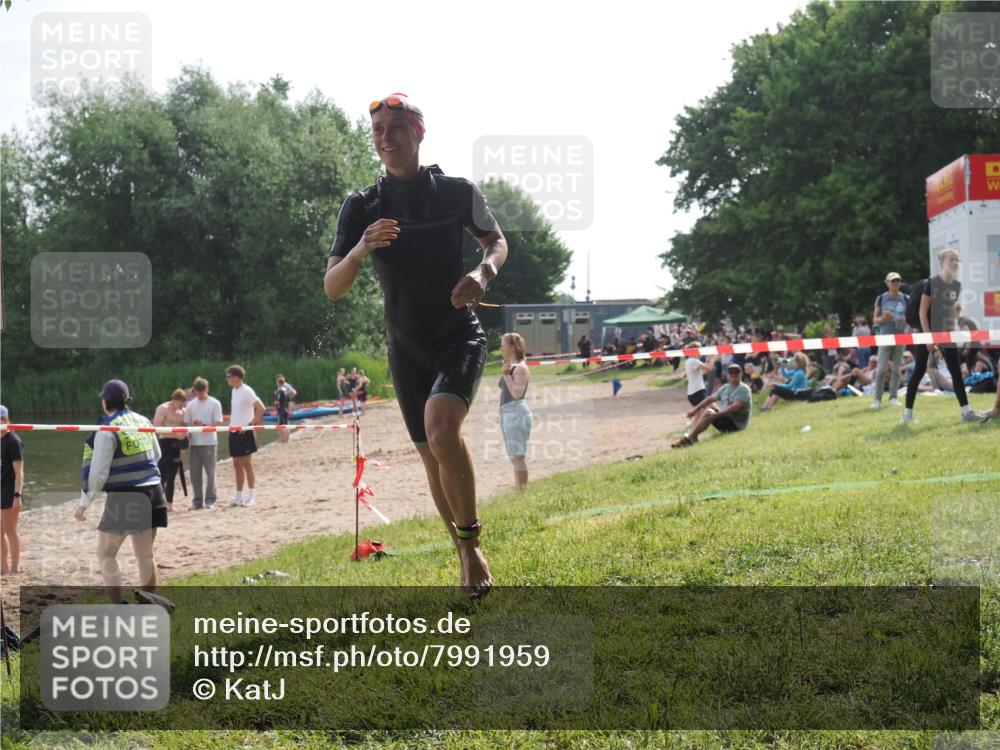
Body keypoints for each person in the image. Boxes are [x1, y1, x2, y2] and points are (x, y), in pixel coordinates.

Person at [324, 92, 507, 598]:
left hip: (457, 334)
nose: (385, 138)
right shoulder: (362, 206)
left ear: (418, 133)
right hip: (405, 351)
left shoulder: (455, 192)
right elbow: (332, 287)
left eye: (395, 128)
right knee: (432, 457)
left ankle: (472, 546)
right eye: (378, 130)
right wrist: (360, 248)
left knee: (442, 429)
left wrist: (482, 272)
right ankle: (464, 553)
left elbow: (496, 241)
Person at [74, 380, 166, 604]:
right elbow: (157, 454)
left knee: (106, 555)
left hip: (126, 497)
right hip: (153, 492)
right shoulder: (143, 420)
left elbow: (98, 473)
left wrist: (85, 502)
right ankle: (148, 604)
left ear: (105, 402)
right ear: (126, 400)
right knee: (146, 556)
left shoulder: (108, 428)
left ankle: (118, 606)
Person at [901, 248, 991, 425]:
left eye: (957, 259)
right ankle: (907, 414)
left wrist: (958, 322)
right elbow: (922, 312)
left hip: (945, 332)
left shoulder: (955, 285)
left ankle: (966, 412)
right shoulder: (932, 283)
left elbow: (949, 310)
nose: (955, 263)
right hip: (926, 331)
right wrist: (928, 339)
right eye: (951, 259)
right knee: (919, 370)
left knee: (956, 372)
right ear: (943, 262)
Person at [672, 364, 752, 447]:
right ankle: (692, 436)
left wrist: (715, 415)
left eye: (736, 372)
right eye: (731, 372)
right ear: (727, 375)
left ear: (741, 374)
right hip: (726, 419)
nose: (734, 374)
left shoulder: (743, 389)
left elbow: (735, 408)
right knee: (708, 405)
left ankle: (690, 438)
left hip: (736, 425)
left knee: (709, 412)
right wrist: (695, 410)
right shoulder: (725, 387)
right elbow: (709, 399)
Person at [225, 365, 265, 508]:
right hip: (234, 431)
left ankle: (252, 497)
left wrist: (250, 424)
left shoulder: (246, 390)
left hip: (245, 432)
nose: (227, 380)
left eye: (228, 377)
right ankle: (238, 497)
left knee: (247, 464)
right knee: (236, 464)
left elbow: (261, 408)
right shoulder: (234, 391)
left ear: (236, 377)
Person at [499, 332, 533, 491]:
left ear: (513, 347)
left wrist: (506, 375)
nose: (501, 348)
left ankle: (522, 491)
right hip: (508, 412)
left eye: (504, 344)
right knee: (514, 456)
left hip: (515, 411)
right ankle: (520, 489)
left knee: (518, 455)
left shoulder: (520, 368)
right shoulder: (511, 366)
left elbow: (517, 393)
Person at [183, 377, 223, 510]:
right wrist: (188, 431)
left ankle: (210, 499)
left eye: (202, 392)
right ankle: (197, 501)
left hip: (209, 442)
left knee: (210, 472)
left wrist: (204, 425)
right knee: (194, 474)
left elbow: (217, 422)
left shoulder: (215, 403)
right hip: (194, 443)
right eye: (197, 392)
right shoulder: (190, 404)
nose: (199, 395)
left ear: (206, 389)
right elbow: (186, 422)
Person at [871, 272, 909, 409]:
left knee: (896, 370)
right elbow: (874, 320)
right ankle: (877, 399)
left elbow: (912, 319)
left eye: (898, 281)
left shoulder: (906, 298)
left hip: (900, 336)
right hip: (885, 337)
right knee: (881, 369)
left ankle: (893, 397)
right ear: (887, 283)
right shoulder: (881, 298)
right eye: (893, 281)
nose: (896, 284)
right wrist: (882, 319)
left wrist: (906, 320)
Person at [152, 389, 188, 511]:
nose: (182, 406)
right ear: (175, 400)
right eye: (181, 403)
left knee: (172, 477)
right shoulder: (163, 408)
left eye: (184, 404)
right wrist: (174, 432)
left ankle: (169, 504)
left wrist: (185, 435)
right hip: (164, 443)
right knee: (161, 475)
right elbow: (157, 427)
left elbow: (185, 426)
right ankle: (158, 502)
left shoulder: (183, 411)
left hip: (176, 445)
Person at [1, 405, 25, 575]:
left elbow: (19, 472)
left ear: (5, 419)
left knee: (10, 531)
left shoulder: (13, 441)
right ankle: (3, 567)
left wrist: (17, 495)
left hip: (10, 489)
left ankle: (15, 567)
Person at [683, 342, 715, 408]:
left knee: (698, 416)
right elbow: (708, 369)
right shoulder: (693, 361)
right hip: (698, 391)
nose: (700, 353)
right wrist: (712, 358)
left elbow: (704, 372)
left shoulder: (689, 361)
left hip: (693, 392)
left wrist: (709, 360)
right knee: (714, 410)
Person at [274, 375, 291, 444]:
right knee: (286, 425)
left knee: (281, 426)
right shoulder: (286, 391)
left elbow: (277, 401)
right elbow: (288, 401)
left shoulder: (280, 391)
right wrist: (289, 410)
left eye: (276, 382)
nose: (276, 383)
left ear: (278, 382)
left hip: (281, 409)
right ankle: (286, 439)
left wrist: (275, 402)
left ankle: (283, 440)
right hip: (285, 409)